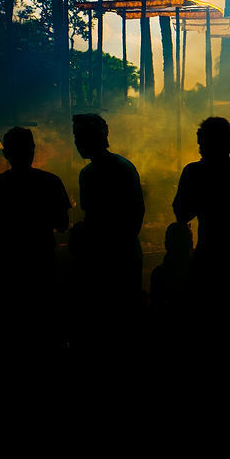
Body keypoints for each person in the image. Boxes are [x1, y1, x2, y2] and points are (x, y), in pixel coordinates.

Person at [173, 117, 230, 365]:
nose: (200, 148)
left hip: (210, 258)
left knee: (208, 329)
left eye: (201, 142)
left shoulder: (195, 172)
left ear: (204, 144)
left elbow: (181, 213)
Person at [69, 114, 145, 342]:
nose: (77, 142)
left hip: (107, 259)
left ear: (96, 138)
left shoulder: (92, 174)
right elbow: (136, 212)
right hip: (121, 254)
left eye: (79, 136)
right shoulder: (121, 167)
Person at [0, 127, 70, 298]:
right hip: (41, 263)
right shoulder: (51, 182)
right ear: (33, 150)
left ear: (6, 154)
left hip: (7, 263)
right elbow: (63, 224)